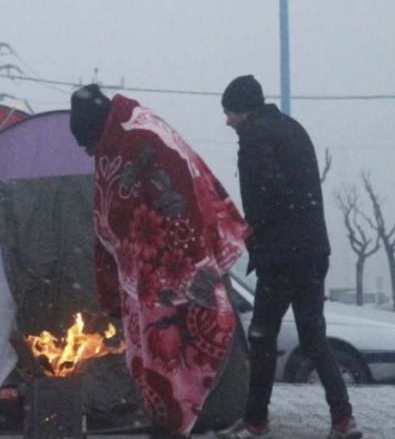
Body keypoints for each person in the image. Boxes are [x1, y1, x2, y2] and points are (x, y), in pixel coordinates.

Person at [69, 84, 251, 438]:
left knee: (182, 355)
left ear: (96, 129)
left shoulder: (139, 138)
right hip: (158, 277)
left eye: (87, 143)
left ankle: (181, 420)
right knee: (169, 358)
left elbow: (175, 208)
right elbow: (114, 214)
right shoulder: (121, 137)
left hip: (176, 273)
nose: (89, 152)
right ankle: (177, 419)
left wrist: (173, 275)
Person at [217, 75, 363, 439]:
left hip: (283, 255)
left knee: (262, 336)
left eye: (229, 113)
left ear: (242, 109)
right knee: (313, 335)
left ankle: (255, 421)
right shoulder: (293, 129)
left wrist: (247, 229)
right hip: (313, 250)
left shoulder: (253, 136)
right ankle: (343, 419)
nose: (227, 121)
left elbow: (268, 193)